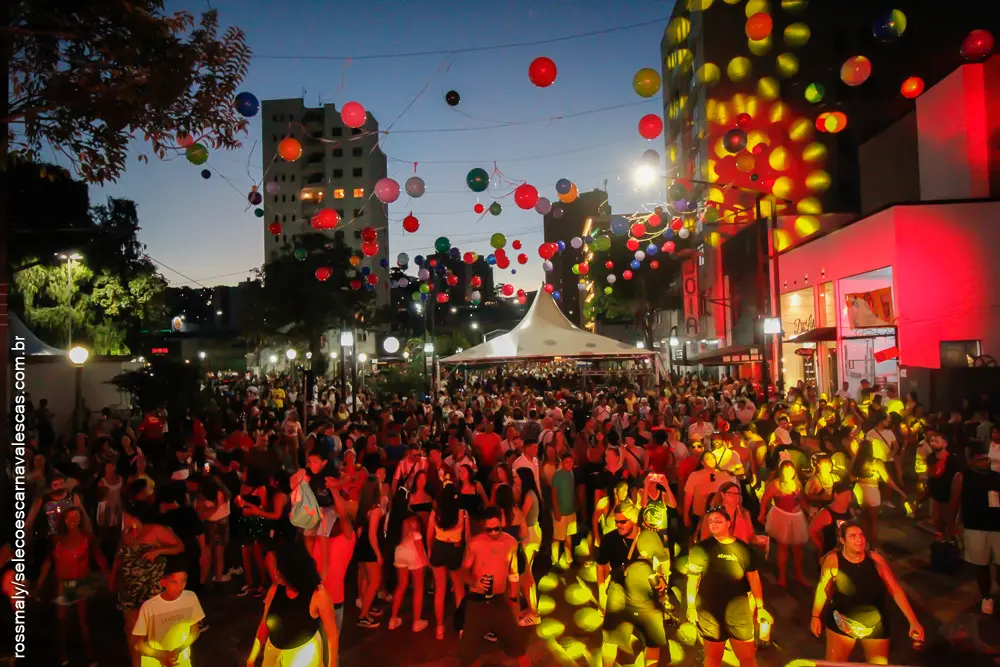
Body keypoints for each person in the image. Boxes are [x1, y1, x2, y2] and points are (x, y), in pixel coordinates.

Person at [812, 521, 924, 663]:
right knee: (835, 664)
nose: (859, 539)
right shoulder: (833, 561)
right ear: (843, 541)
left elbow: (895, 590)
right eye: (853, 536)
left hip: (875, 625)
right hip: (842, 622)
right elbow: (823, 589)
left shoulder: (876, 560)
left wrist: (913, 621)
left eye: (861, 535)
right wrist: (815, 615)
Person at [686, 506, 772, 667]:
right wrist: (690, 606)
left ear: (728, 523)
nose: (713, 525)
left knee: (747, 658)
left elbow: (754, 579)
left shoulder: (743, 549)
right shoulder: (700, 549)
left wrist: (760, 607)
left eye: (718, 521)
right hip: (710, 611)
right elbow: (692, 579)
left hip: (738, 612)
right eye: (710, 521)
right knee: (712, 657)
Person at [596, 501, 671, 667]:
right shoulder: (609, 539)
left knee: (653, 643)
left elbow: (663, 561)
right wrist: (601, 593)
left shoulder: (650, 537)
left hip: (646, 596)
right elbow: (601, 566)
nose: (618, 525)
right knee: (610, 640)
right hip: (619, 594)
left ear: (635, 520)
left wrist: (662, 577)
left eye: (623, 521)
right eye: (616, 521)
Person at [112, 501, 184, 667]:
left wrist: (158, 551)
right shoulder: (126, 533)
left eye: (126, 516)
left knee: (155, 633)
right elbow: (118, 557)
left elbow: (179, 547)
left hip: (151, 588)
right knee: (133, 634)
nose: (123, 519)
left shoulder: (156, 530)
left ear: (135, 517)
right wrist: (112, 578)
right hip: (129, 589)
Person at [35, 506, 109, 667]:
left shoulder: (87, 538)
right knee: (61, 620)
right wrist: (39, 584)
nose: (72, 520)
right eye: (69, 517)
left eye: (76, 516)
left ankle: (90, 655)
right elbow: (48, 562)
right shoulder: (56, 539)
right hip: (64, 583)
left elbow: (99, 557)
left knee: (83, 621)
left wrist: (109, 577)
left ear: (81, 519)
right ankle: (62, 656)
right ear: (64, 520)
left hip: (80, 582)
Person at [457, 506, 529, 667]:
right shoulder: (476, 543)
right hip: (476, 601)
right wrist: (475, 582)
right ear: (484, 526)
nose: (494, 532)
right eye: (489, 529)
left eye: (497, 528)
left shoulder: (511, 543)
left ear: (502, 523)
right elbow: (462, 572)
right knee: (468, 653)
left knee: (518, 646)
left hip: (498, 600)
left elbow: (513, 573)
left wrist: (514, 601)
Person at [246, 542, 339, 667]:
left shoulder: (318, 596)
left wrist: (332, 665)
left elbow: (332, 635)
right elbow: (264, 625)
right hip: (272, 654)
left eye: (280, 570)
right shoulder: (274, 590)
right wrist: (252, 658)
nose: (276, 573)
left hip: (304, 658)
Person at [947, 441, 1000, 615]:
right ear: (970, 460)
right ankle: (986, 597)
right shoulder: (962, 477)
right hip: (974, 528)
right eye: (980, 459)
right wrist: (951, 526)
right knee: (982, 566)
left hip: (998, 528)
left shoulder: (997, 477)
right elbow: (954, 502)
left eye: (986, 458)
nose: (984, 462)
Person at [131, 557, 204, 667]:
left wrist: (179, 649)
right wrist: (160, 655)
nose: (179, 587)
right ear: (163, 582)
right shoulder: (150, 607)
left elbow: (194, 632)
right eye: (174, 582)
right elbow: (138, 644)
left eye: (183, 581)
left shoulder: (190, 598)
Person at [759, 460, 810, 587]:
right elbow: (765, 499)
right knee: (783, 547)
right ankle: (782, 577)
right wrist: (762, 513)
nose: (788, 473)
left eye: (790, 470)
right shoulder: (776, 485)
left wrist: (809, 511)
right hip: (782, 517)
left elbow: (802, 500)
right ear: (781, 472)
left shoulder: (797, 484)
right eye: (785, 471)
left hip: (797, 517)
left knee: (798, 548)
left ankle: (799, 575)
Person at [427, 485, 468, 640]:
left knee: (439, 589)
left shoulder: (436, 513)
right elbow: (466, 537)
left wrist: (430, 550)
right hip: (454, 551)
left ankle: (439, 627)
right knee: (459, 588)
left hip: (439, 548)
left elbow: (429, 534)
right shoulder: (462, 513)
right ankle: (461, 627)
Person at [387, 505, 431, 632]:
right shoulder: (414, 527)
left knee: (401, 585)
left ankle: (393, 619)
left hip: (399, 552)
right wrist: (427, 563)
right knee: (418, 587)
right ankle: (417, 621)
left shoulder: (398, 530)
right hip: (413, 553)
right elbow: (419, 546)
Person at [808, 481, 856, 557]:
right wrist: (821, 547)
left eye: (850, 496)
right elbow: (811, 531)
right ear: (836, 495)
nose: (849, 499)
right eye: (845, 496)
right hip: (833, 555)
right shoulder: (826, 513)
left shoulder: (850, 511)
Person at [550, 453, 577, 568]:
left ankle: (569, 558)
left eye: (571, 462)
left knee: (568, 535)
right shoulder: (557, 475)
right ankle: (554, 559)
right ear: (562, 462)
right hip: (560, 511)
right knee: (557, 537)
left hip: (570, 511)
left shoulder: (571, 473)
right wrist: (556, 510)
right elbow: (554, 494)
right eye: (567, 462)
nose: (569, 464)